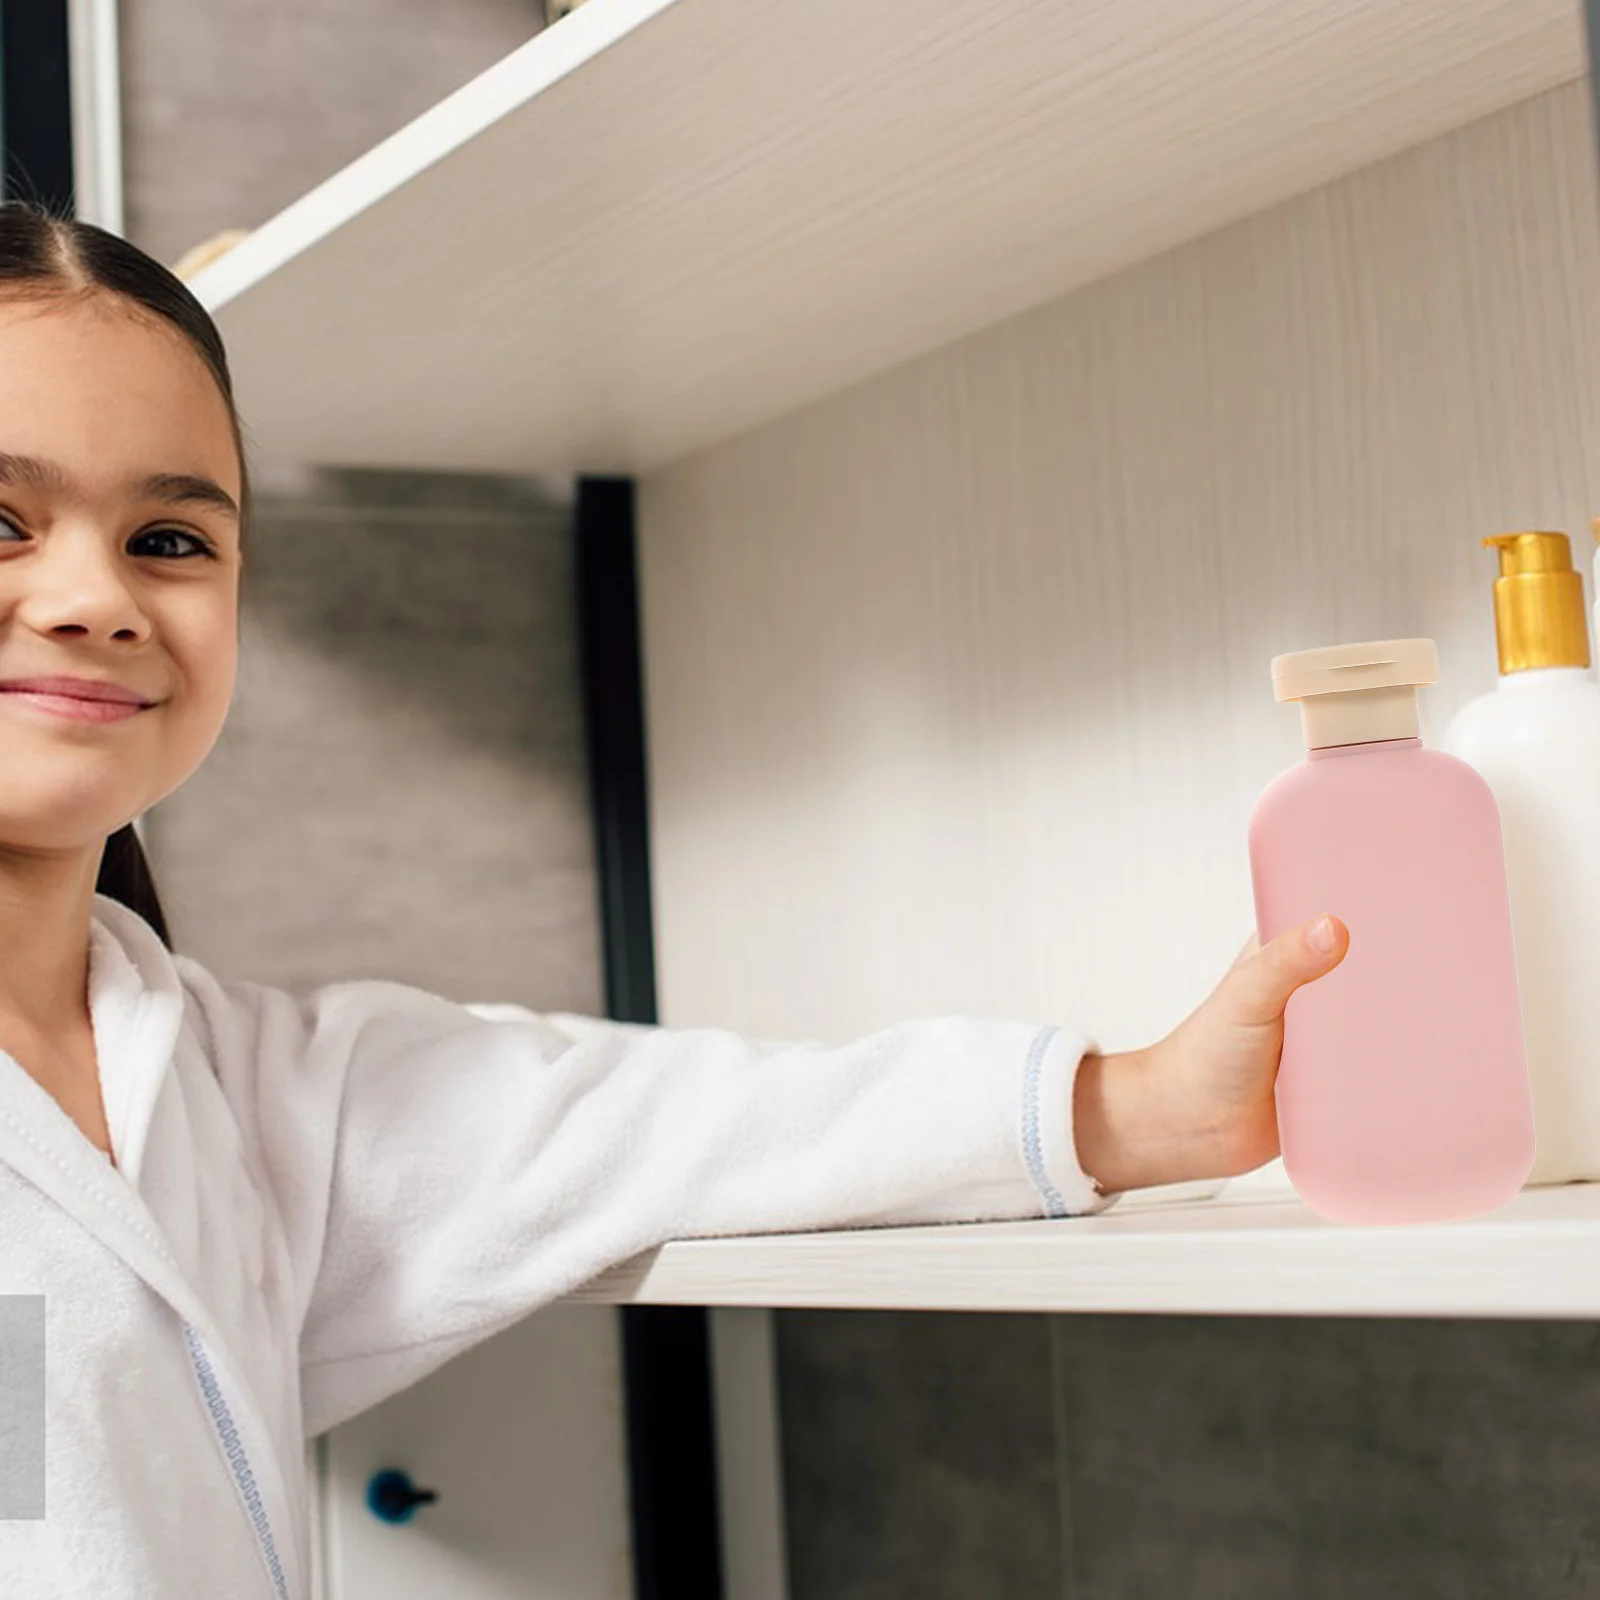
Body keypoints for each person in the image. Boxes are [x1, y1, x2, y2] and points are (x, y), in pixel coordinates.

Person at [0, 197, 1349, 1598]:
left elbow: (668, 1119)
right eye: (1, 518)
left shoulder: (232, 1090)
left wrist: (1133, 1110)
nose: (96, 596)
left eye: (171, 539)